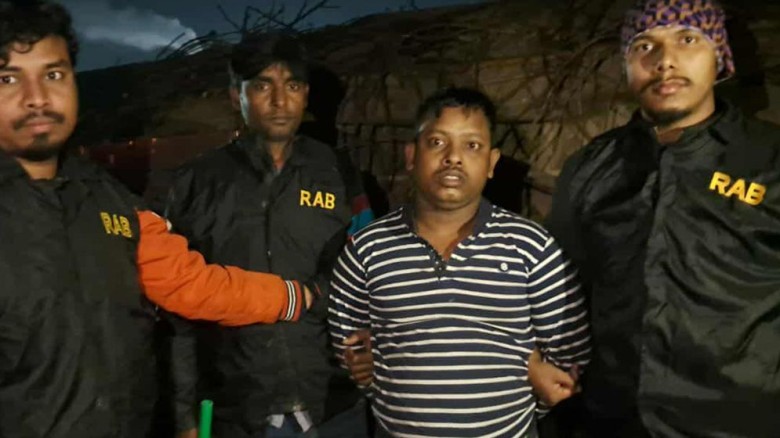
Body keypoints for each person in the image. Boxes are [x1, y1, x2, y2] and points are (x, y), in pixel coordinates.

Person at [0, 2, 314, 437]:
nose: (37, 97)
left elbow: (188, 283)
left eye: (53, 74)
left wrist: (293, 296)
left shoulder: (114, 202)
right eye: (8, 78)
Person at [545, 0, 780, 436]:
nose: (665, 61)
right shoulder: (590, 167)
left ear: (719, 57)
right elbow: (558, 291)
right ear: (627, 65)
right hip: (611, 421)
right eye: (644, 46)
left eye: (687, 40)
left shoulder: (770, 159)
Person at [328, 87, 590, 437]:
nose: (453, 157)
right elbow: (349, 340)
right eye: (437, 142)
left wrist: (529, 401)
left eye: (472, 145)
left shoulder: (533, 247)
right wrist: (390, 390)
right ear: (411, 155)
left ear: (492, 163)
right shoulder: (367, 248)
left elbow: (569, 353)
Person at [158, 33, 373, 438]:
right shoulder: (195, 183)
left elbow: (367, 273)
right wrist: (185, 416)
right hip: (237, 410)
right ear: (235, 96)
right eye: (261, 86)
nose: (279, 101)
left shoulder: (340, 173)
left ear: (305, 95)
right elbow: (179, 310)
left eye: (292, 86)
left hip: (334, 406)